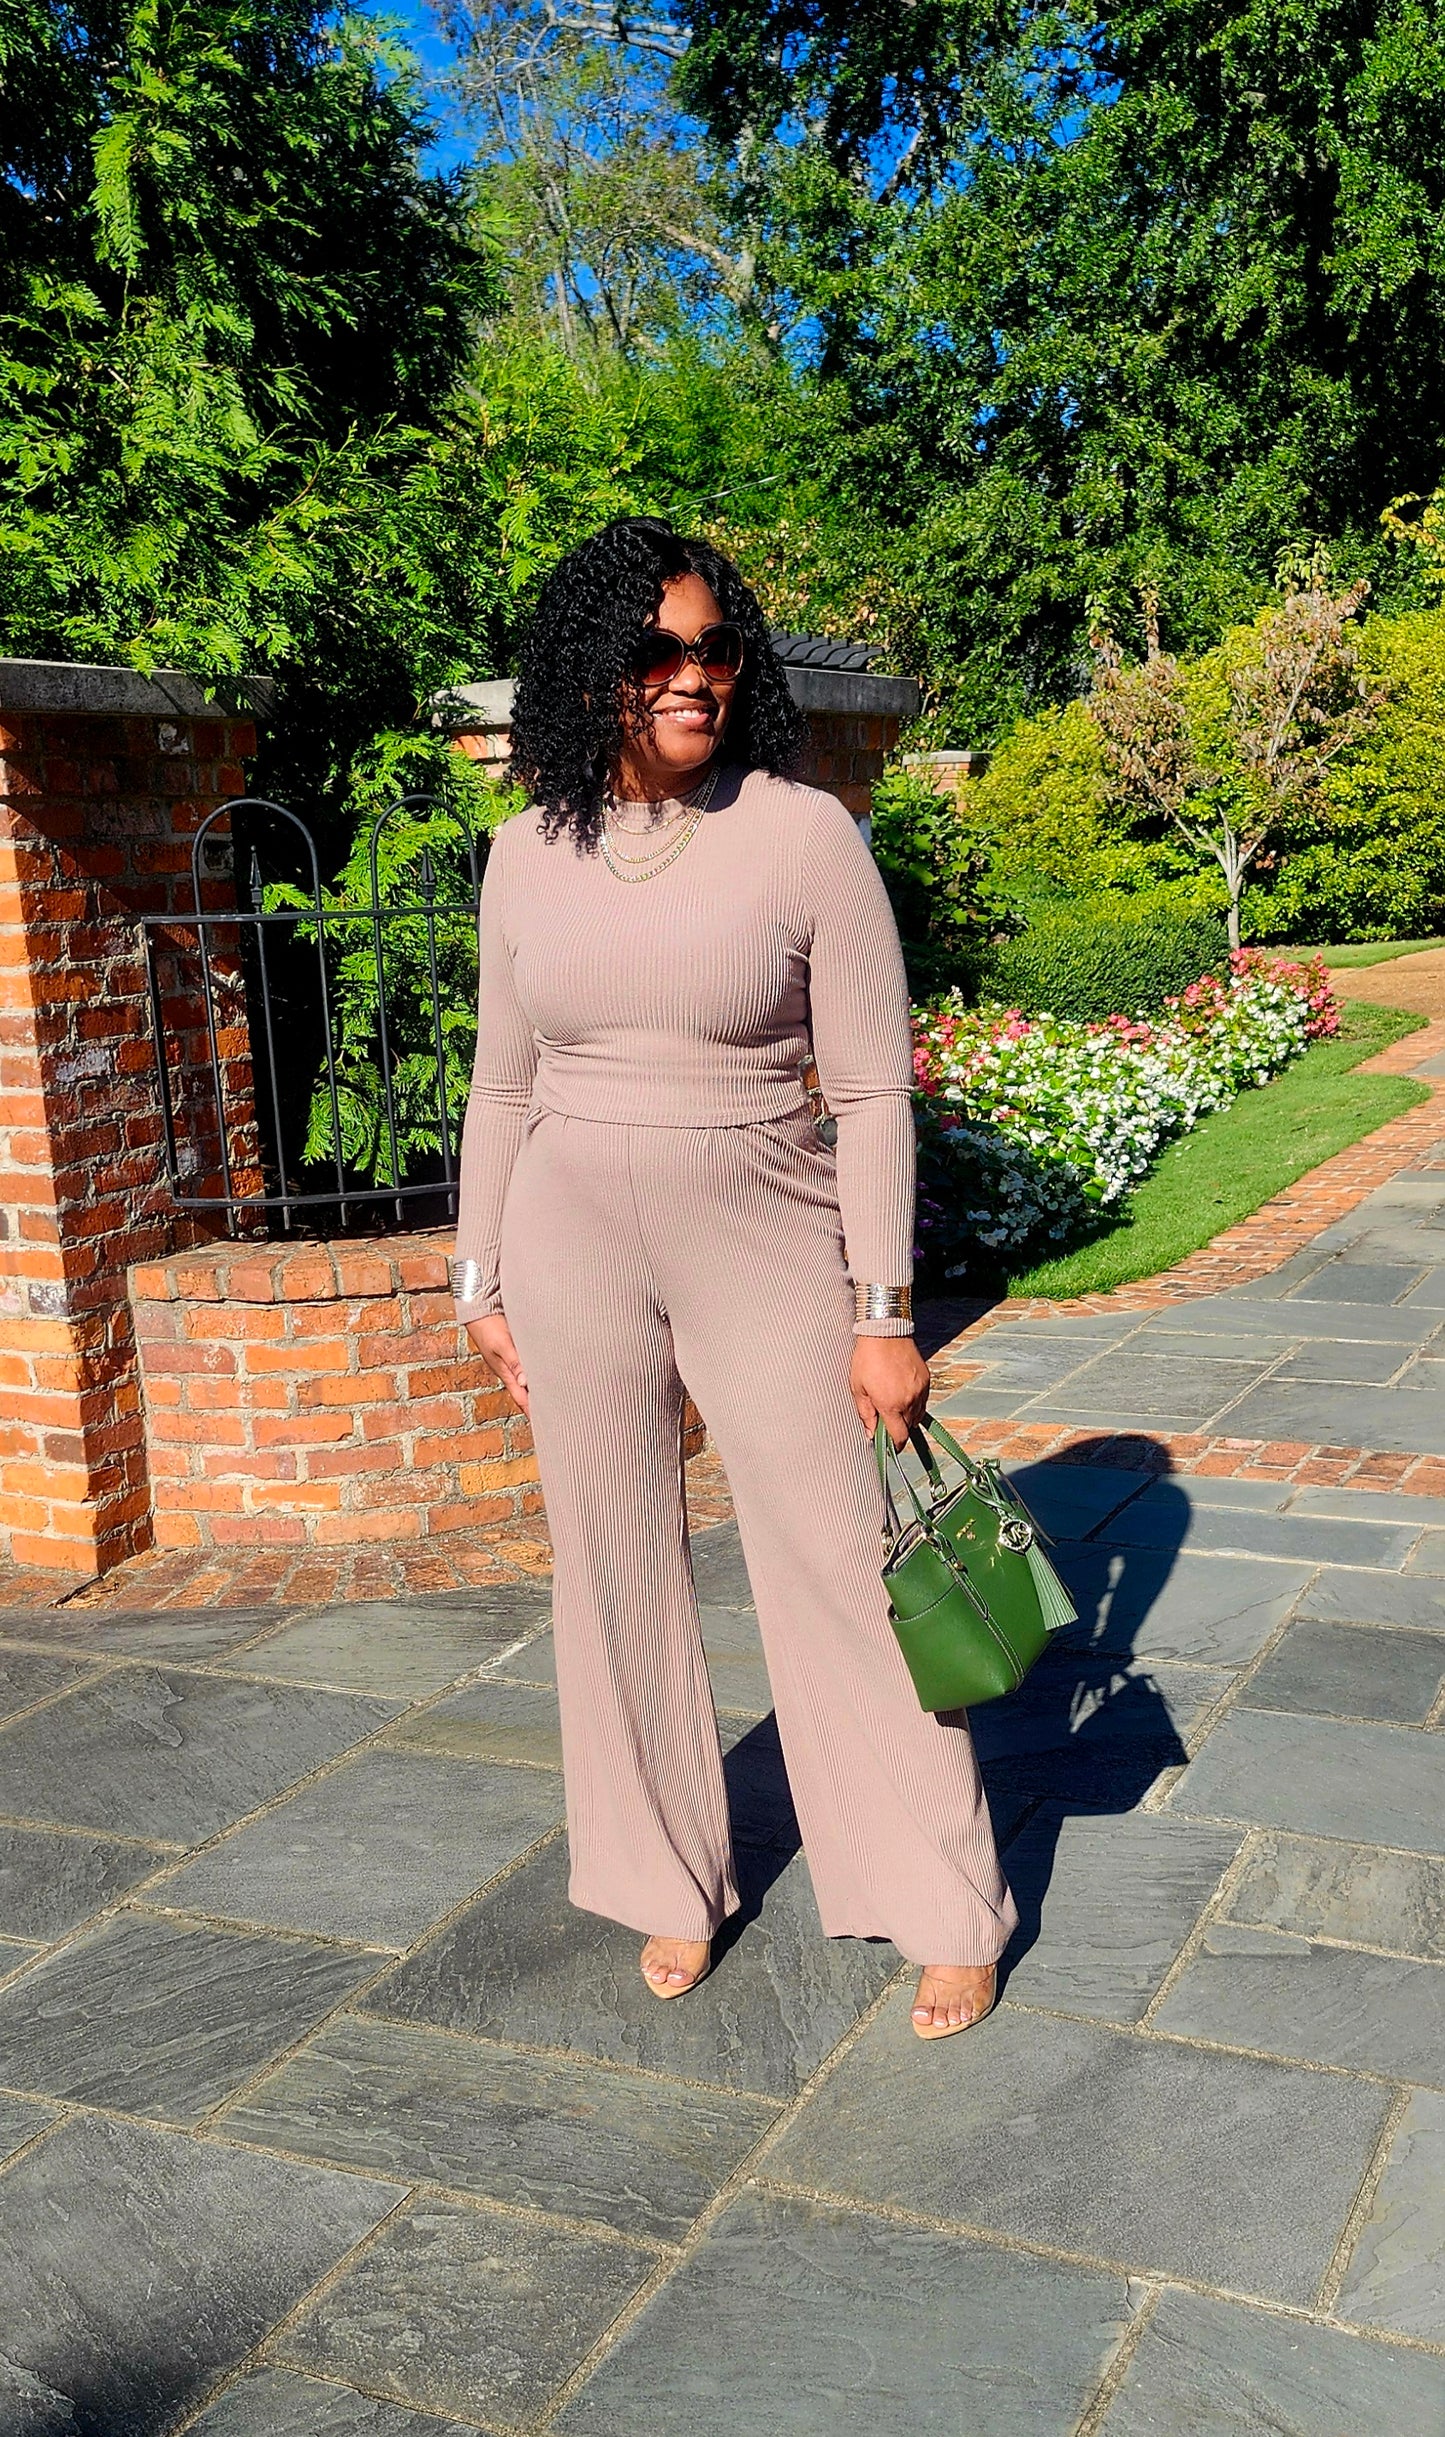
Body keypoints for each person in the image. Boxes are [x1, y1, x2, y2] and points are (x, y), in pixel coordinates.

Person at [453, 515, 1016, 2039]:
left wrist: (885, 1313)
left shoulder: (799, 833)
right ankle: (664, 1880)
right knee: (612, 1567)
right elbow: (501, 1086)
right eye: (660, 651)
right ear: (591, 673)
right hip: (569, 1237)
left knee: (838, 1560)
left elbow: (873, 1095)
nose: (695, 674)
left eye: (716, 648)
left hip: (766, 1233)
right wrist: (477, 1273)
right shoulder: (522, 853)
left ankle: (943, 1896)